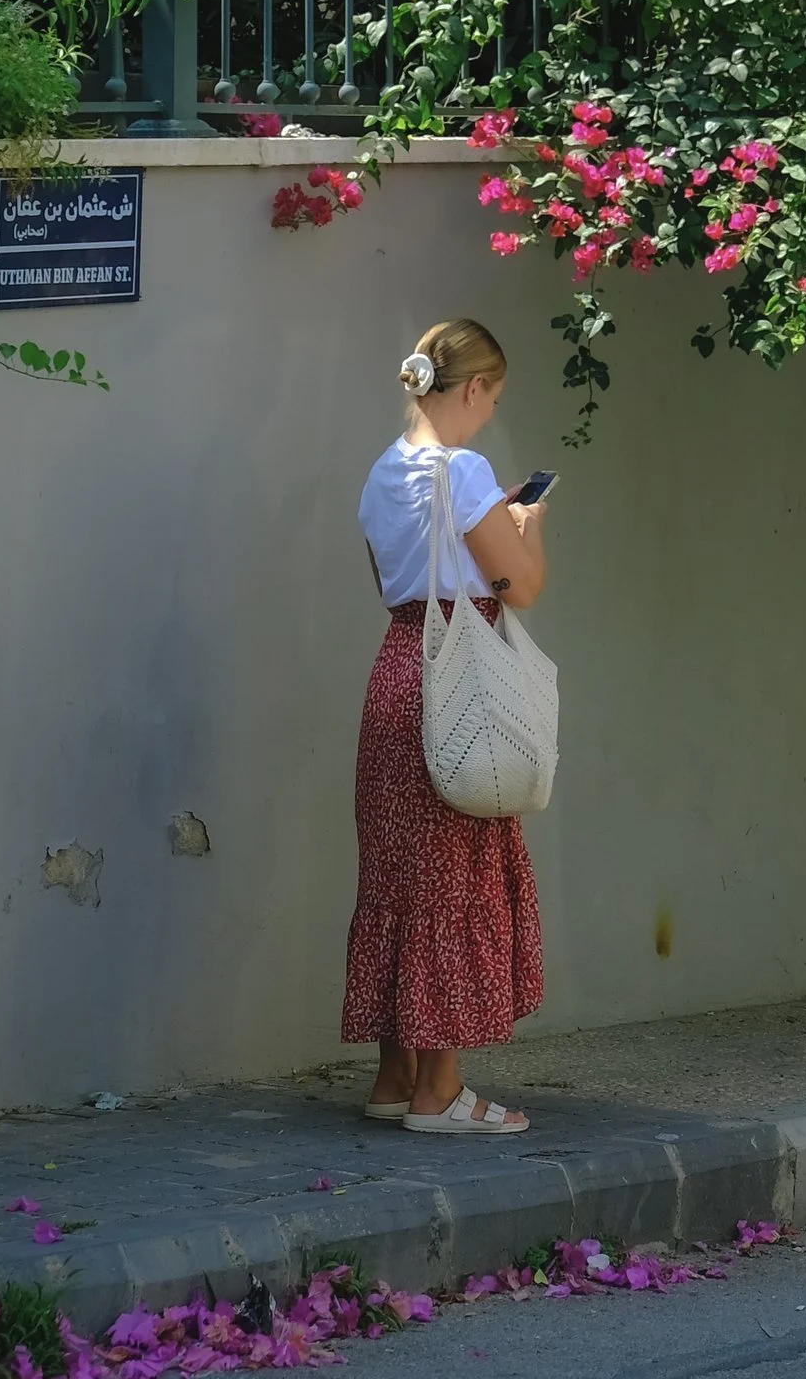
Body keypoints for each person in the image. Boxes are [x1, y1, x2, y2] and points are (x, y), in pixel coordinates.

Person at [344, 316, 549, 1133]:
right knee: (454, 879)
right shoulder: (464, 471)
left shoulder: (380, 474)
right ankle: (442, 1093)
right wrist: (528, 525)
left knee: (401, 880)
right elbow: (522, 587)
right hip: (459, 681)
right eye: (491, 396)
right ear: (471, 389)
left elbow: (396, 583)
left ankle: (395, 1077)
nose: (491, 412)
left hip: (398, 671)